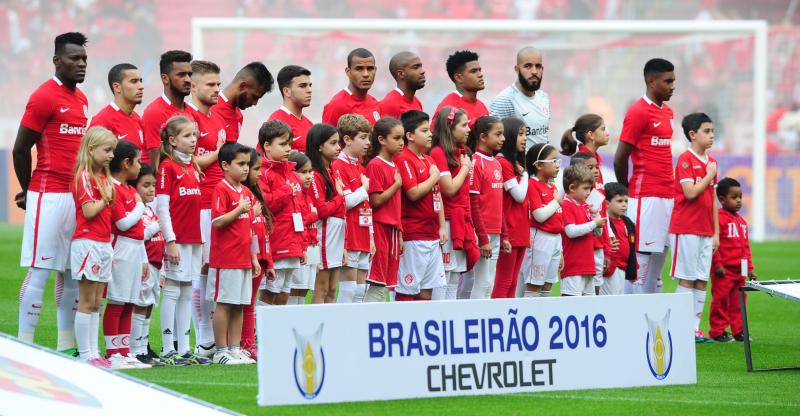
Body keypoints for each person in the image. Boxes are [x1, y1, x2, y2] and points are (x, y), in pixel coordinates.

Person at [15, 32, 88, 354]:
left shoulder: (82, 99)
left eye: (84, 59)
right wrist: (27, 189)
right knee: (41, 269)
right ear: (57, 60)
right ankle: (24, 347)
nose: (81, 64)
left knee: (71, 273)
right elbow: (20, 148)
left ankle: (65, 347)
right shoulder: (44, 96)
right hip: (49, 193)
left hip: (75, 197)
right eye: (74, 59)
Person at [614, 58, 676, 295]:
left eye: (673, 81)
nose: (672, 86)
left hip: (668, 196)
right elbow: (621, 157)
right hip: (645, 197)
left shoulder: (668, 111)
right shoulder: (638, 111)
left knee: (658, 268)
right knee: (639, 265)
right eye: (667, 81)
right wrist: (626, 191)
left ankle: (653, 324)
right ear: (651, 81)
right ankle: (633, 321)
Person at [185, 59, 230, 359]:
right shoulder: (187, 119)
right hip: (196, 203)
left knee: (212, 270)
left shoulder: (216, 119)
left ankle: (209, 338)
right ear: (193, 86)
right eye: (211, 84)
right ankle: (202, 338)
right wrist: (216, 153)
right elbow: (186, 163)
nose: (217, 89)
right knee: (197, 271)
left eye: (218, 83)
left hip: (217, 204)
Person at [155, 115, 209, 366]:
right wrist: (170, 240)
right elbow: (162, 208)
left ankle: (185, 348)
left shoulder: (192, 168)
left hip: (193, 240)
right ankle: (168, 349)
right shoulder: (167, 167)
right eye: (188, 136)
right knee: (174, 291)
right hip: (177, 240)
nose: (194, 140)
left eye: (195, 135)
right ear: (173, 140)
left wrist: (201, 242)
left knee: (188, 290)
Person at [207, 142, 260, 365]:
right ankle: (220, 350)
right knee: (224, 303)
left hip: (243, 259)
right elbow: (217, 221)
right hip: (226, 259)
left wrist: (254, 257)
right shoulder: (221, 189)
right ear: (226, 165)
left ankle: (235, 348)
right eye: (241, 164)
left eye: (248, 164)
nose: (246, 168)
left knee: (240, 303)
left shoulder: (246, 191)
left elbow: (250, 229)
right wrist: (239, 209)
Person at [668, 112, 719, 342]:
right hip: (686, 228)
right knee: (687, 278)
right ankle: (681, 329)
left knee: (701, 279)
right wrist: (708, 176)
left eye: (712, 131)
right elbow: (690, 194)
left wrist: (716, 232)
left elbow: (712, 200)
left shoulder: (712, 162)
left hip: (706, 230)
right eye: (706, 131)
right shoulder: (686, 160)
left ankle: (695, 329)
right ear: (692, 134)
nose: (711, 135)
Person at [70, 126, 116, 367]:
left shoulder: (103, 177)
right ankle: (86, 354)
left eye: (113, 151)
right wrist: (105, 199)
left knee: (97, 302)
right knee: (87, 301)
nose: (111, 156)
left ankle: (94, 352)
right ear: (91, 149)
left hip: (102, 242)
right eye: (107, 150)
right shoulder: (84, 176)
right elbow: (88, 211)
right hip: (87, 243)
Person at [104, 140, 150, 370]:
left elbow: (138, 229)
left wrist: (143, 258)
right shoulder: (113, 187)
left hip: (134, 249)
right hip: (121, 248)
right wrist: (140, 207)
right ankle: (113, 353)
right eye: (138, 161)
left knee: (130, 301)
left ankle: (124, 350)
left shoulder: (130, 189)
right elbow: (122, 223)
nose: (141, 166)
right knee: (117, 301)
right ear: (125, 163)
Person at [394, 111, 446, 301]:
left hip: (432, 234)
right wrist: (434, 177)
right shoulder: (404, 158)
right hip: (413, 235)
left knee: (426, 291)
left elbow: (437, 194)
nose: (430, 134)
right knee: (408, 289)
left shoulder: (429, 159)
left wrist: (441, 226)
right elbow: (413, 193)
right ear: (410, 135)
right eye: (424, 130)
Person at [429, 107, 477, 300]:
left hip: (461, 221)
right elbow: (448, 188)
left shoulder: (461, 152)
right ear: (450, 128)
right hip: (448, 222)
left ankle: (449, 318)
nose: (468, 130)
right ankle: (439, 318)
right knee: (444, 275)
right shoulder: (439, 153)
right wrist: (465, 168)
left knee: (455, 275)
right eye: (463, 125)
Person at [258, 121, 306, 305]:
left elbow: (299, 210)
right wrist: (286, 190)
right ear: (267, 146)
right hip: (277, 244)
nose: (288, 149)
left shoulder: (292, 173)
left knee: (285, 293)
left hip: (292, 243)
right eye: (283, 144)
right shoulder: (263, 173)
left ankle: (275, 333)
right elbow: (266, 205)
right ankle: (258, 331)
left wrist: (301, 245)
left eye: (290, 144)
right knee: (270, 292)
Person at [331, 114, 372, 303]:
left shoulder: (360, 167)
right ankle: (342, 331)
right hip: (349, 236)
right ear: (347, 139)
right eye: (362, 138)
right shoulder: (338, 166)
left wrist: (371, 235)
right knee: (349, 290)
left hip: (363, 235)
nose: (367, 143)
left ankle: (357, 331)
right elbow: (346, 202)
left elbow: (366, 207)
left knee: (361, 291)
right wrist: (364, 189)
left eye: (368, 138)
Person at [709, 178, 756, 343]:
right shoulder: (719, 219)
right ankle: (717, 331)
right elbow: (714, 244)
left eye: (740, 197)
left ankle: (739, 330)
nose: (739, 201)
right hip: (724, 271)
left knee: (739, 302)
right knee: (721, 300)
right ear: (722, 199)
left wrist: (750, 268)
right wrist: (718, 264)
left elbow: (746, 247)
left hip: (740, 271)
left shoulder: (742, 222)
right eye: (734, 197)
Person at [364, 118, 405, 302]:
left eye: (402, 138)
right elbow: (376, 200)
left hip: (393, 230)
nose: (401, 142)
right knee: (377, 280)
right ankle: (369, 319)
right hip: (381, 227)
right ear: (381, 140)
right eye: (396, 138)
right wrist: (396, 185)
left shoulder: (394, 164)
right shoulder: (375, 165)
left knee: (388, 282)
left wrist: (400, 233)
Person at [129, 164, 166, 367]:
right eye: (146, 185)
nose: (151, 189)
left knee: (149, 304)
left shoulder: (151, 208)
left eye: (153, 185)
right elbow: (139, 235)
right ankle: (136, 350)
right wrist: (154, 227)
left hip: (156, 264)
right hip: (144, 264)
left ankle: (143, 347)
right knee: (140, 304)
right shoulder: (137, 210)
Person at [305, 124, 346, 304]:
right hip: (325, 235)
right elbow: (322, 210)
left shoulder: (332, 170)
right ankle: (317, 328)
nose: (339, 147)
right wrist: (339, 196)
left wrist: (344, 244)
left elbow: (340, 210)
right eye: (333, 143)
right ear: (319, 146)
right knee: (321, 288)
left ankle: (330, 329)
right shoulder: (315, 174)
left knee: (332, 289)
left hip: (336, 236)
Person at [241, 148, 275, 359]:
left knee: (249, 303)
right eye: (255, 168)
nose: (258, 173)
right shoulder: (243, 196)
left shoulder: (255, 194)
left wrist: (268, 261)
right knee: (244, 304)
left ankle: (248, 344)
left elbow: (263, 233)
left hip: (259, 259)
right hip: (245, 258)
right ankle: (243, 344)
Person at [467, 116, 505, 299]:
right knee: (483, 282)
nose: (503, 138)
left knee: (490, 283)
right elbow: (473, 204)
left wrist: (503, 235)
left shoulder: (496, 163)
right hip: (484, 233)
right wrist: (482, 238)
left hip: (495, 233)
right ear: (483, 137)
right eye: (498, 134)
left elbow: (499, 203)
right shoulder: (475, 162)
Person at [492, 117, 529, 298]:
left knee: (513, 282)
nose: (524, 139)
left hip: (520, 230)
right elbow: (519, 195)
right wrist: (526, 174)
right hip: (509, 230)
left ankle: (509, 320)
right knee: (504, 281)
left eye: (526, 135)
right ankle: (496, 320)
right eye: (521, 134)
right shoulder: (503, 163)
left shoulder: (515, 165)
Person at [522, 143, 563, 298]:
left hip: (555, 240)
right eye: (553, 161)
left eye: (558, 161)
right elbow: (539, 215)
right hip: (540, 238)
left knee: (547, 286)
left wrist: (561, 251)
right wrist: (556, 202)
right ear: (538, 165)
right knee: (534, 286)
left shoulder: (552, 187)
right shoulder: (532, 184)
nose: (557, 165)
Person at [489, 47, 550, 150]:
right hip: (518, 165)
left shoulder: (544, 97)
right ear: (517, 69)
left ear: (542, 69)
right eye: (528, 66)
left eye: (538, 66)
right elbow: (495, 142)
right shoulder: (504, 100)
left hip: (541, 164)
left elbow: (542, 135)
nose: (534, 71)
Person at [142, 50, 194, 169]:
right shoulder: (155, 112)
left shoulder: (191, 111)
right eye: (181, 75)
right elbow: (155, 165)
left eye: (189, 74)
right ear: (165, 79)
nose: (188, 80)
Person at [560, 164, 607, 296]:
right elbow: (571, 232)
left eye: (590, 188)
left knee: (588, 308)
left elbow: (596, 234)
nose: (588, 192)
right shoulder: (566, 204)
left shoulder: (585, 206)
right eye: (585, 188)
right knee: (572, 307)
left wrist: (597, 222)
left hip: (588, 266)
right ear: (572, 188)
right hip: (573, 267)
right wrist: (594, 223)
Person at [571, 152, 612, 295]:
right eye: (590, 167)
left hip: (597, 247)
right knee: (576, 290)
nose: (595, 171)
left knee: (595, 288)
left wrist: (606, 250)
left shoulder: (597, 193)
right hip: (580, 251)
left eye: (597, 167)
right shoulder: (573, 198)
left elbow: (602, 224)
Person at [285, 151, 319, 305]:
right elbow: (297, 222)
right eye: (303, 172)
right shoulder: (294, 195)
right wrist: (313, 215)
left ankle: (298, 323)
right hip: (300, 247)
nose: (309, 176)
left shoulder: (307, 195)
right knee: (294, 288)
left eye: (310, 171)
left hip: (311, 247)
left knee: (304, 289)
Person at [89, 63, 145, 155]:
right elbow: (89, 160)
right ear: (117, 87)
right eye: (134, 81)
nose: (141, 86)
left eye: (140, 81)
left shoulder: (137, 118)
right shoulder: (102, 120)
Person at [214, 62, 274, 142]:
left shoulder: (238, 115)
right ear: (242, 86)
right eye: (254, 97)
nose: (255, 103)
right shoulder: (211, 108)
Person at [322, 48, 381, 126]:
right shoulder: (337, 105)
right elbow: (326, 137)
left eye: (370, 69)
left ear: (375, 70)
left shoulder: (375, 103)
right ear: (348, 72)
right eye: (359, 69)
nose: (366, 74)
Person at [433, 50, 488, 126]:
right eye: (474, 71)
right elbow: (437, 136)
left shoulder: (482, 106)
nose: (480, 75)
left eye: (479, 70)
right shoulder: (448, 108)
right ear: (459, 78)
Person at [602, 182, 637, 296]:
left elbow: (631, 246)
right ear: (607, 203)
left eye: (626, 201)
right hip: (610, 268)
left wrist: (633, 265)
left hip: (623, 268)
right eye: (619, 201)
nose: (624, 205)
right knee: (610, 301)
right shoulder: (603, 223)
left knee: (619, 299)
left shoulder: (628, 223)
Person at [268, 65, 313, 152]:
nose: (309, 90)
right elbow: (262, 160)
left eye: (310, 85)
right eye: (303, 86)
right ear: (287, 91)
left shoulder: (310, 124)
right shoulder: (275, 123)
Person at [561, 113, 609, 184]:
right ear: (591, 135)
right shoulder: (582, 160)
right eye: (603, 129)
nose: (607, 133)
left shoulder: (594, 156)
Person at [379, 52, 425, 118]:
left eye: (421, 66)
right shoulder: (389, 104)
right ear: (401, 74)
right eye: (415, 67)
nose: (422, 71)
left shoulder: (416, 101)